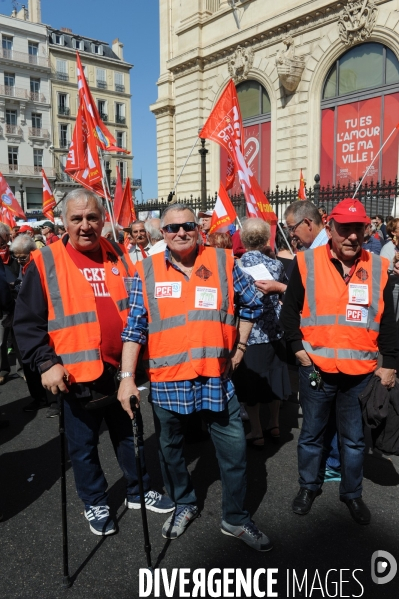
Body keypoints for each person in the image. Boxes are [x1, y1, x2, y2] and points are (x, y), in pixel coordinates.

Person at [13, 188, 174, 536]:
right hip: (75, 374)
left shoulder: (118, 252)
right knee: (83, 447)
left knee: (129, 435)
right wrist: (45, 363)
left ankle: (138, 489)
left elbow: (136, 306)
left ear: (102, 219)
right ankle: (95, 501)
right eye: (77, 218)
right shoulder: (46, 260)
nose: (85, 225)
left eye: (92, 217)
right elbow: (26, 323)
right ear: (64, 222)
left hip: (121, 371)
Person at [118, 203, 273, 551]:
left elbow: (253, 304)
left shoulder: (222, 262)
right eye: (172, 228)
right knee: (171, 451)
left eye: (187, 225)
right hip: (168, 381)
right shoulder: (147, 270)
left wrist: (242, 347)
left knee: (234, 454)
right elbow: (135, 328)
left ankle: (235, 519)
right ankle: (183, 503)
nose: (180, 233)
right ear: (163, 234)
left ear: (198, 228)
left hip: (215, 379)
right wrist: (127, 377)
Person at [280, 198, 397, 525]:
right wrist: (300, 353)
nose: (351, 237)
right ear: (329, 228)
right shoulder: (307, 263)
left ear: (365, 229)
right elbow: (289, 315)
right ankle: (308, 486)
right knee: (312, 436)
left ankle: (352, 494)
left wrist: (390, 364)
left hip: (359, 374)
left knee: (354, 440)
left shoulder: (376, 267)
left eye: (357, 229)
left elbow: (388, 323)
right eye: (344, 229)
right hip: (316, 370)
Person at [234, 219, 291, 447]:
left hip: (250, 332)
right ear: (266, 238)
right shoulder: (275, 265)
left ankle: (256, 431)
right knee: (274, 376)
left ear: (243, 239)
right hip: (274, 329)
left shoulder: (237, 266)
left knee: (251, 383)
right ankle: (275, 424)